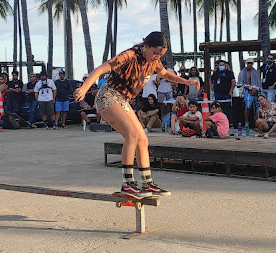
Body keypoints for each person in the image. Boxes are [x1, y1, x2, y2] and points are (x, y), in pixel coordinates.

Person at [74, 31, 199, 197]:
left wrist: (186, 81)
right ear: (146, 46)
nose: (156, 57)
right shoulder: (129, 55)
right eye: (155, 53)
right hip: (108, 96)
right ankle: (128, 184)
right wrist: (84, 88)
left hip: (123, 100)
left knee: (142, 139)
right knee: (132, 135)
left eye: (161, 55)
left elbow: (165, 74)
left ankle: (147, 183)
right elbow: (101, 69)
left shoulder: (154, 62)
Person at [238, 58, 262, 127]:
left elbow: (258, 83)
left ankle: (259, 121)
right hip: (247, 91)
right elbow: (240, 83)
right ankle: (246, 122)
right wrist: (250, 88)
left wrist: (255, 89)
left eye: (251, 63)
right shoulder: (242, 72)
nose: (249, 65)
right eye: (248, 63)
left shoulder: (255, 72)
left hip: (256, 91)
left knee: (259, 106)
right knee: (248, 105)